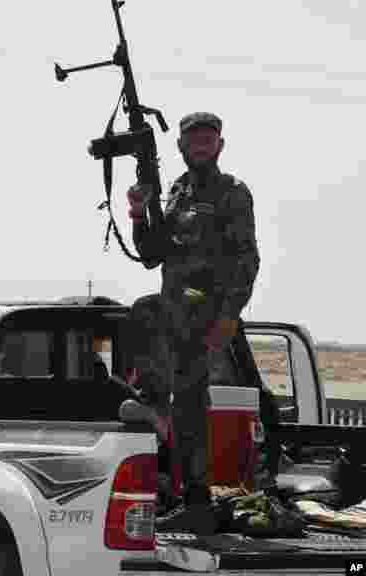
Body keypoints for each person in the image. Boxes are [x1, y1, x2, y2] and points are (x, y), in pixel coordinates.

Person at [127, 112, 261, 534]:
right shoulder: (178, 192)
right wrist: (137, 212)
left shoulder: (232, 193)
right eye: (194, 140)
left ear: (220, 146)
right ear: (182, 147)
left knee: (189, 406)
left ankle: (197, 500)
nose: (201, 146)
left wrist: (228, 316)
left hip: (204, 316)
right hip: (174, 314)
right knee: (171, 404)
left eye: (209, 140)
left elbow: (247, 260)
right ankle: (183, 491)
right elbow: (152, 254)